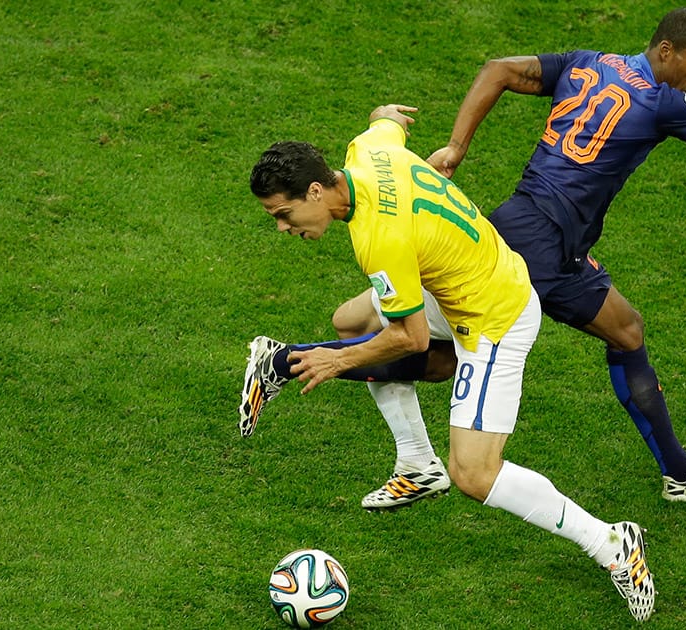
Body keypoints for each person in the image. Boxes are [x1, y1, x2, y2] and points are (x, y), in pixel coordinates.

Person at [242, 8, 686, 505]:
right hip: (537, 253)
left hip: (533, 233)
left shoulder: (590, 62)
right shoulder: (660, 102)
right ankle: (287, 363)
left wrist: (458, 145)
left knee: (625, 331)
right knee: (430, 355)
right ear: (665, 52)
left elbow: (497, 70)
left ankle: (678, 472)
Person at [244, 104, 657, 621]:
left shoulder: (379, 238)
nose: (283, 228)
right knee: (350, 320)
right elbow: (384, 120)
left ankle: (611, 543)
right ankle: (417, 463)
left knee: (474, 472)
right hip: (460, 274)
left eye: (283, 215)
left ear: (314, 192)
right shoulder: (365, 150)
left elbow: (410, 337)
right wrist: (386, 113)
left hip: (493, 316)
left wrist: (338, 363)